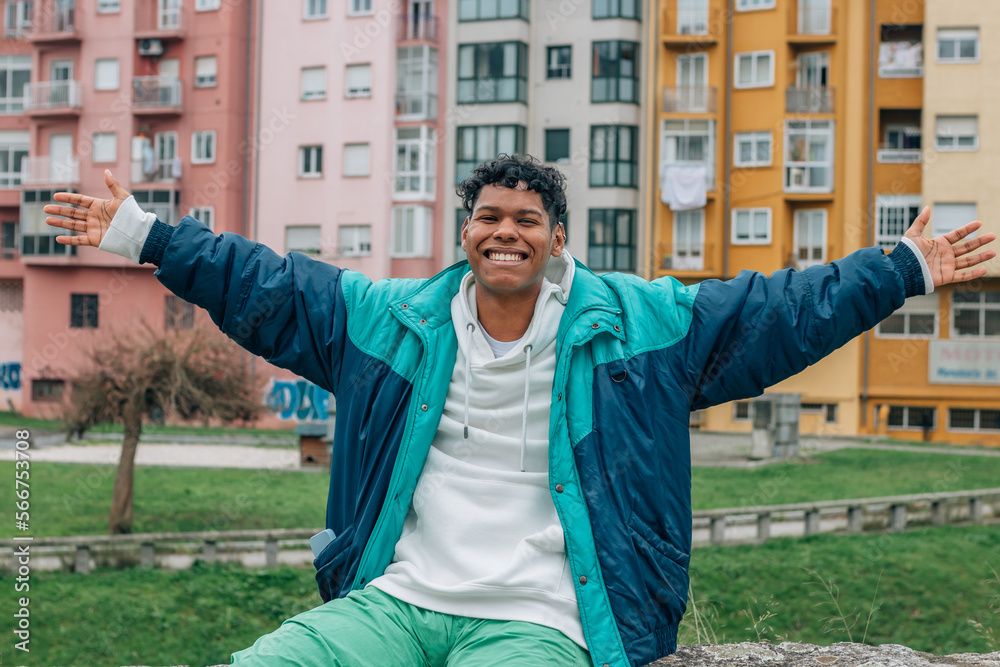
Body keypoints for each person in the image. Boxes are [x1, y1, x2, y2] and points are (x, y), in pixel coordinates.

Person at [46, 155, 994, 667]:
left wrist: (899, 270)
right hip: (400, 599)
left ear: (556, 237)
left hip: (542, 621)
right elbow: (270, 286)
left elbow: (776, 313)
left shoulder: (638, 327)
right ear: (466, 232)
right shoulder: (395, 324)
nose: (506, 232)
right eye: (490, 217)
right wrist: (145, 234)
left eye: (526, 220)